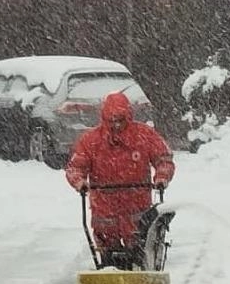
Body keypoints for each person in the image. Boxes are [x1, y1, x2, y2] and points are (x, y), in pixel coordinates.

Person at [65, 91, 175, 267]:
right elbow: (75, 166)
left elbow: (164, 159)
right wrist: (79, 182)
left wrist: (162, 177)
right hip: (104, 208)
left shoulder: (144, 136)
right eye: (111, 120)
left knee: (140, 244)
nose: (116, 124)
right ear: (104, 118)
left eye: (120, 120)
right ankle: (108, 269)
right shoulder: (91, 141)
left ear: (128, 116)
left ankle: (140, 270)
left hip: (136, 204)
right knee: (107, 250)